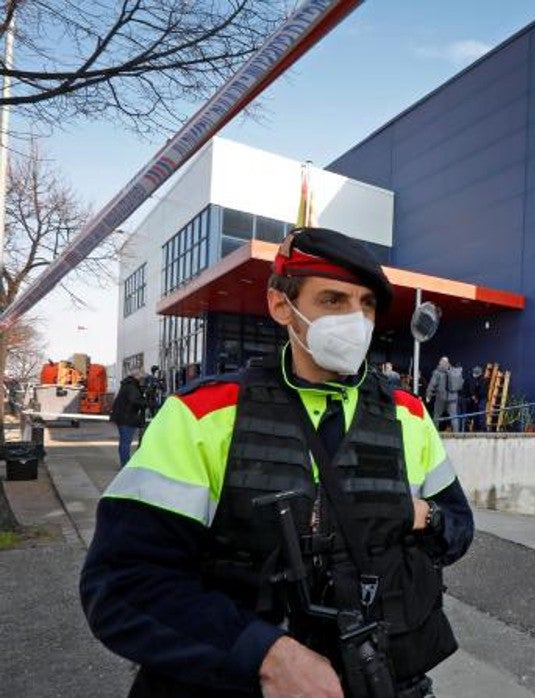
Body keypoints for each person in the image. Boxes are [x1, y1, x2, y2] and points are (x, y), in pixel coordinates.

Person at [81, 227, 474, 697]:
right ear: (280, 306)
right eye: (333, 300)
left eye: (366, 304)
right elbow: (123, 585)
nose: (356, 320)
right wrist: (262, 653)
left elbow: (459, 531)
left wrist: (421, 515)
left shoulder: (408, 414)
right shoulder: (203, 414)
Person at [107, 369, 146, 465]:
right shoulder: (132, 387)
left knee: (124, 442)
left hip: (123, 416)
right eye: (142, 377)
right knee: (126, 442)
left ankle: (124, 462)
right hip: (127, 417)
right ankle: (125, 463)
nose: (143, 379)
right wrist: (148, 403)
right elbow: (135, 401)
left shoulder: (127, 384)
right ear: (137, 376)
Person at [425, 357, 459, 432]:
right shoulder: (454, 370)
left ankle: (435, 433)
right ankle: (457, 434)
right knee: (454, 416)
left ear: (441, 362)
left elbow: (432, 384)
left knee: (436, 415)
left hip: (441, 397)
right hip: (453, 397)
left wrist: (428, 395)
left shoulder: (437, 371)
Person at [464, 366, 486, 432]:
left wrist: (475, 397)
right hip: (476, 398)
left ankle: (479, 428)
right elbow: (472, 389)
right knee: (477, 413)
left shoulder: (478, 380)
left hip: (478, 399)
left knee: (477, 413)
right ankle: (478, 428)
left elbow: (477, 390)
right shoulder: (480, 379)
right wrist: (474, 397)